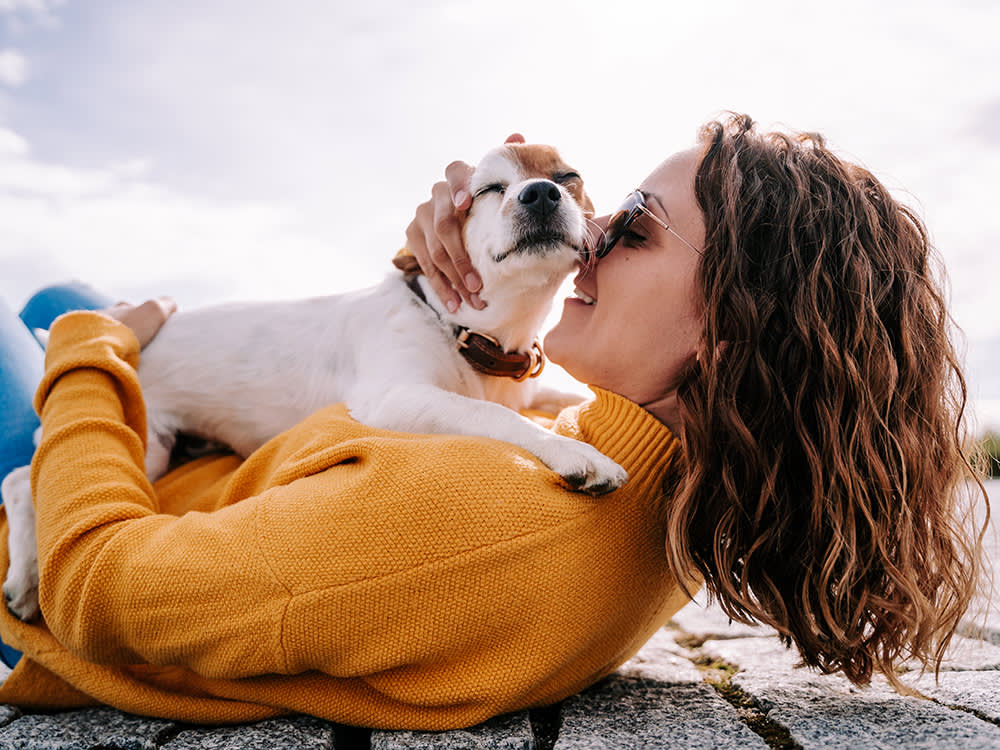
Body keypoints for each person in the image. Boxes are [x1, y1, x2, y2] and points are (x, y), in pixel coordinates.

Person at [0, 113, 988, 727]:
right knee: (61, 292)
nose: (586, 235)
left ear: (731, 330)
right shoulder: (663, 495)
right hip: (189, 444)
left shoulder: (478, 517)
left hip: (54, 518)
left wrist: (95, 357)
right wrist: (470, 213)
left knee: (64, 307)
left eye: (629, 230)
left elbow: (92, 584)